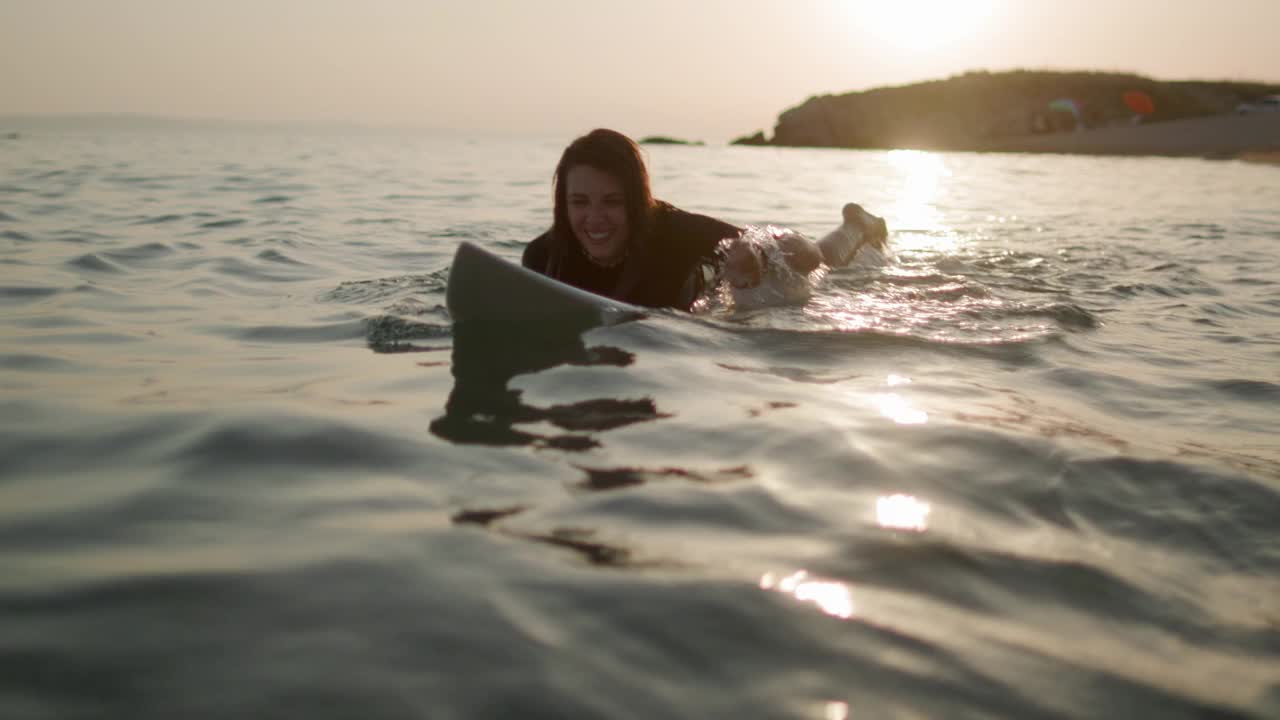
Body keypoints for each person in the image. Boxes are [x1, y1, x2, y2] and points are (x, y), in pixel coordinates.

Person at [522, 128, 886, 310]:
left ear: (636, 201)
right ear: (562, 203)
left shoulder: (676, 232)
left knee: (816, 260)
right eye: (580, 202)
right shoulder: (541, 259)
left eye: (613, 201)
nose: (595, 219)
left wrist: (754, 254)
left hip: (717, 281)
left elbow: (758, 242)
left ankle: (858, 225)